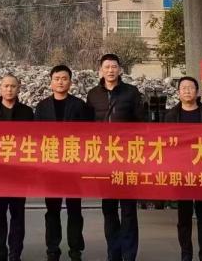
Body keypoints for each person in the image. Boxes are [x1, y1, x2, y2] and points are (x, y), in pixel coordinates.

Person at [86, 54, 147, 261]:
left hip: (127, 158)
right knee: (109, 209)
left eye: (114, 67)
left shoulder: (131, 92)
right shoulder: (93, 94)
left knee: (128, 210)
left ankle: (129, 255)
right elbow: (87, 127)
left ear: (120, 69)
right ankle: (114, 253)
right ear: (101, 70)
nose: (110, 70)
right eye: (107, 67)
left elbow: (142, 123)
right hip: (104, 160)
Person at [34, 64, 94, 261]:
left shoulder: (80, 106)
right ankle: (52, 248)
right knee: (52, 211)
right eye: (57, 79)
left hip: (73, 166)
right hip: (51, 167)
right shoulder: (42, 107)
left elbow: (89, 136)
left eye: (64, 78)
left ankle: (75, 249)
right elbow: (35, 137)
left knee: (74, 209)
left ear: (70, 82)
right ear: (51, 82)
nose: (60, 82)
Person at [163, 77, 202, 261]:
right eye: (183, 88)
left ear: (197, 91)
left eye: (190, 88)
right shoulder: (171, 116)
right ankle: (186, 253)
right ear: (178, 92)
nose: (187, 91)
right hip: (181, 173)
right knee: (184, 217)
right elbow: (165, 144)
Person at [0, 73, 35, 261]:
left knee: (18, 216)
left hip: (19, 175)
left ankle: (15, 254)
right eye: (6, 86)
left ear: (18, 88)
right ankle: (0, 253)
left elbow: (34, 142)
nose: (9, 89)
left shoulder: (27, 113)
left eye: (13, 86)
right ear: (0, 88)